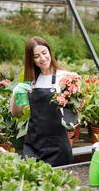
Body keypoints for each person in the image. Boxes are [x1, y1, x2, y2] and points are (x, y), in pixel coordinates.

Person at [10, 36, 74, 167]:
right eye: (36, 56)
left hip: (57, 146)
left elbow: (75, 110)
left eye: (44, 53)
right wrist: (15, 93)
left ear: (50, 52)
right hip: (33, 145)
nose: (42, 58)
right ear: (32, 60)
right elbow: (16, 112)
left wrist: (71, 119)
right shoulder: (31, 81)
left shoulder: (65, 77)